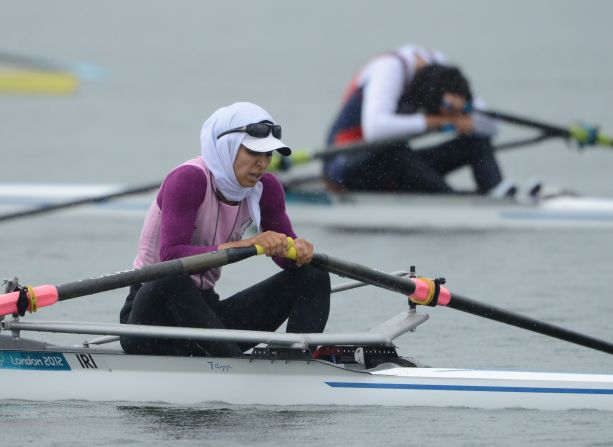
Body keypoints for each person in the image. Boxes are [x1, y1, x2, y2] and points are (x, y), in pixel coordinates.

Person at [119, 102, 331, 357]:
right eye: (254, 152)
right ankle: (234, 366)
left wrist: (297, 252)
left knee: (313, 274)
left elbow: (285, 260)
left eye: (268, 155)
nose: (262, 164)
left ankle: (293, 361)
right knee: (172, 277)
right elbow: (171, 255)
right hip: (150, 319)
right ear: (226, 147)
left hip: (205, 313)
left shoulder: (267, 188)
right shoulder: (188, 179)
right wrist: (248, 244)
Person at [323, 44, 516, 197]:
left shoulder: (441, 71)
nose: (450, 115)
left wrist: (467, 114)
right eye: (447, 110)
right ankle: (447, 199)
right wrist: (439, 121)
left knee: (476, 141)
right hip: (344, 165)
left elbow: (491, 126)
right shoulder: (389, 68)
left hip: (394, 165)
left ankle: (496, 191)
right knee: (394, 149)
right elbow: (375, 130)